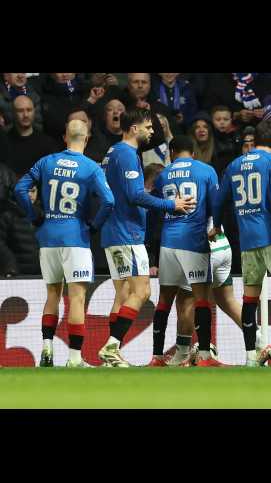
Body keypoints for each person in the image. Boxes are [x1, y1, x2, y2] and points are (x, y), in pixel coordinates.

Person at [98, 109, 195, 367]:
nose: (152, 131)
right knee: (142, 291)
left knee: (123, 294)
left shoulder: (112, 152)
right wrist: (169, 204)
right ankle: (111, 346)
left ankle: (111, 353)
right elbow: (135, 196)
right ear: (133, 128)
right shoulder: (127, 155)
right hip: (126, 232)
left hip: (113, 230)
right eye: (148, 127)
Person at [14, 120, 115, 367]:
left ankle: (47, 350)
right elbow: (109, 201)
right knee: (77, 298)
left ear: (65, 137)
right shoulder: (91, 168)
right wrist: (93, 226)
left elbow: (19, 189)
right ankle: (74, 358)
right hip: (75, 237)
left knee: (52, 294)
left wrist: (34, 215)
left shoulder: (46, 162)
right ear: (87, 138)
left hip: (48, 235)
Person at [212, 120, 271, 367]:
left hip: (247, 240)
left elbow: (219, 200)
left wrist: (216, 225)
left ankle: (250, 356)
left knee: (250, 299)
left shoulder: (235, 164)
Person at [149, 136, 224, 367]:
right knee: (201, 298)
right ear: (193, 153)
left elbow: (159, 207)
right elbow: (216, 204)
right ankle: (203, 356)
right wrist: (217, 227)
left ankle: (157, 357)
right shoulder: (206, 170)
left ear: (171, 152)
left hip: (168, 242)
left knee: (164, 300)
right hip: (194, 241)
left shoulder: (163, 175)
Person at [5, 95, 58, 177]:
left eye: (29, 110)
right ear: (13, 113)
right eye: (20, 111)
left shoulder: (47, 143)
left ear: (34, 111)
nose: (25, 115)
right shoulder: (4, 142)